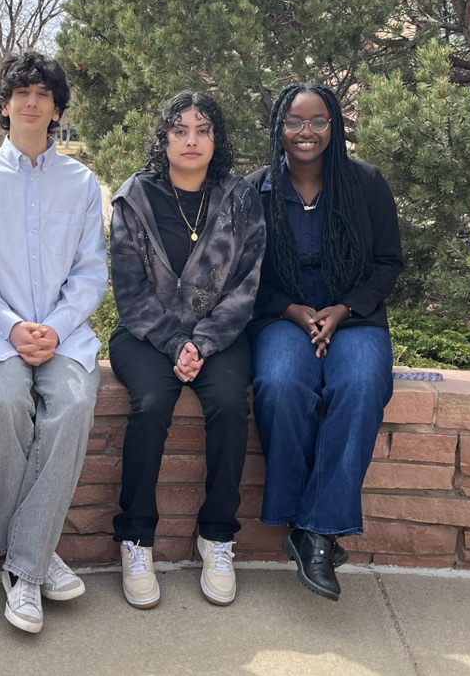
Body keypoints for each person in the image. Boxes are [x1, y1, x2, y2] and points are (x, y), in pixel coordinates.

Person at [0, 51, 108, 634]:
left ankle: (21, 568)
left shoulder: (81, 182)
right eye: (21, 92)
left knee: (71, 404)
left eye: (43, 94)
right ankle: (38, 558)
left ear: (57, 109)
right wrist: (12, 326)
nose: (31, 102)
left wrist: (56, 328)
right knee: (1, 402)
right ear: (6, 105)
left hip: (64, 337)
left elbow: (92, 273)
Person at [109, 91, 265, 609]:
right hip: (146, 335)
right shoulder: (135, 197)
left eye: (203, 129)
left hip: (219, 337)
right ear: (165, 138)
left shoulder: (239, 197)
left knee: (227, 404)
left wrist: (201, 341)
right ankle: (135, 539)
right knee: (152, 404)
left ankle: (217, 535)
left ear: (216, 138)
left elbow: (247, 285)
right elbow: (129, 292)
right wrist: (176, 342)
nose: (191, 140)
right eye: (179, 130)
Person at [247, 82, 403, 602]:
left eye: (318, 121)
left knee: (360, 384)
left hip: (354, 315)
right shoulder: (256, 191)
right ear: (279, 127)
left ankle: (316, 531)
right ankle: (306, 523)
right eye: (294, 121)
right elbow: (243, 274)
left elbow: (388, 264)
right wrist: (293, 311)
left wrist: (344, 308)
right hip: (282, 313)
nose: (305, 132)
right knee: (280, 382)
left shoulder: (366, 184)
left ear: (334, 126)